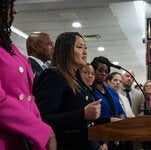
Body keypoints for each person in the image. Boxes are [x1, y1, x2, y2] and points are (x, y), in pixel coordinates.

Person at [0, 0, 56, 150]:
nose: (15, 11)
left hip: (23, 138)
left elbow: (29, 97)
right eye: (9, 5)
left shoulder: (10, 47)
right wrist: (40, 130)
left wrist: (39, 130)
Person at [35, 32, 102, 150]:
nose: (85, 52)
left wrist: (110, 120)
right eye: (80, 47)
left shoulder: (77, 79)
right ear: (66, 50)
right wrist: (83, 113)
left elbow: (85, 119)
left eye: (85, 47)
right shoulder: (53, 75)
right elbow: (44, 118)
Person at [91, 56, 126, 150]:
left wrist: (118, 129)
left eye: (106, 71)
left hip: (118, 137)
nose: (103, 73)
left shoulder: (111, 91)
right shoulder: (89, 91)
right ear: (93, 70)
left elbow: (121, 112)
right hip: (101, 139)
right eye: (100, 70)